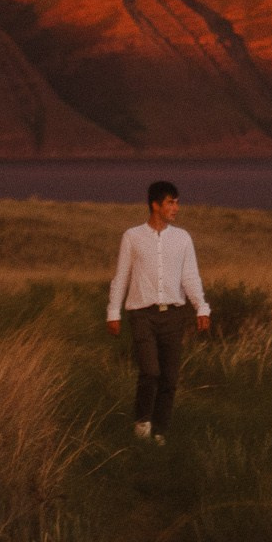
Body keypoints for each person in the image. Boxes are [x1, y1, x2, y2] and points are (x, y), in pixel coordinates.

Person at [106, 179, 210, 444]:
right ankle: (142, 422)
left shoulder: (182, 238)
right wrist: (113, 312)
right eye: (170, 202)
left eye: (177, 202)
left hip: (173, 314)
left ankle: (160, 432)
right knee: (150, 371)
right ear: (155, 205)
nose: (176, 207)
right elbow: (121, 276)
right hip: (142, 313)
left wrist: (201, 307)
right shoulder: (132, 236)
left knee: (169, 376)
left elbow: (190, 276)